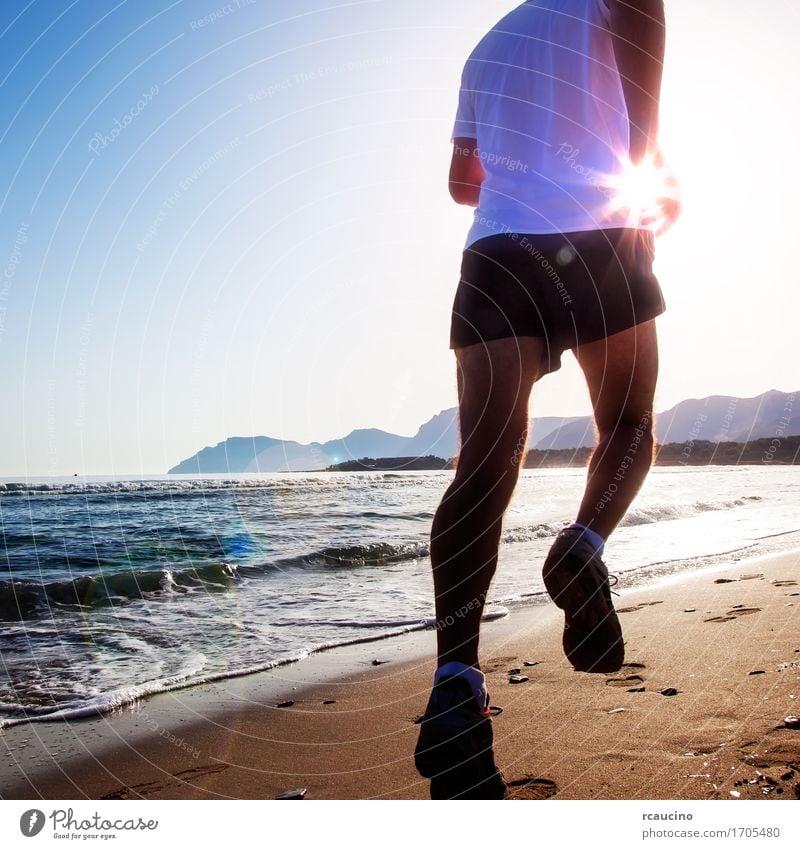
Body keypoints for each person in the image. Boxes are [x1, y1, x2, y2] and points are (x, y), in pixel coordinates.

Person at [414, 0, 680, 797]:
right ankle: (584, 545)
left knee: (481, 468)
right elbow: (645, 76)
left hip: (497, 254)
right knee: (629, 420)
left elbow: (464, 183)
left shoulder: (484, 48)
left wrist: (517, 157)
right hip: (599, 233)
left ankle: (456, 678)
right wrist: (648, 175)